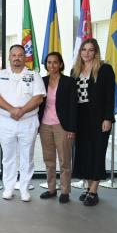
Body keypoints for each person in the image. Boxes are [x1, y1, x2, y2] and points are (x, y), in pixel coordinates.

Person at [0, 44, 45, 202]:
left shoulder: (34, 75)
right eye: (13, 55)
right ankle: (8, 187)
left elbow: (38, 98)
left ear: (25, 57)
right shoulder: (0, 75)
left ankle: (24, 188)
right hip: (6, 121)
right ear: (9, 57)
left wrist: (22, 111)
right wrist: (12, 110)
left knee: (27, 156)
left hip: (28, 121)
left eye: (20, 55)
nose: (17, 58)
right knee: (8, 156)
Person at [71, 38, 115, 207]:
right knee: (84, 153)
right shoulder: (75, 71)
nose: (87, 53)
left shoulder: (105, 69)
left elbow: (110, 96)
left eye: (90, 50)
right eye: (84, 49)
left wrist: (108, 118)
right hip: (81, 118)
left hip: (98, 118)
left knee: (97, 153)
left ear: (96, 52)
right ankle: (88, 188)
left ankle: (94, 191)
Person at [37, 52, 77, 204]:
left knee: (65, 160)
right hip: (45, 125)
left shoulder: (69, 82)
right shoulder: (42, 81)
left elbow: (73, 106)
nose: (51, 65)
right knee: (49, 160)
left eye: (55, 62)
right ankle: (52, 189)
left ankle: (65, 191)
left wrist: (71, 128)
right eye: (49, 62)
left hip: (63, 126)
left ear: (60, 64)